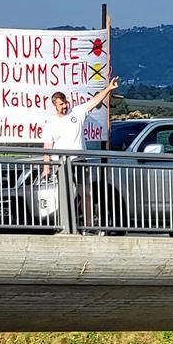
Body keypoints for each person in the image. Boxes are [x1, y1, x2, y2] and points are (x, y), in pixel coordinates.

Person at [41, 76, 121, 230]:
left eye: (65, 103)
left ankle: (88, 224)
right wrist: (47, 166)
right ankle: (63, 225)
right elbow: (47, 146)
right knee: (65, 194)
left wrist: (109, 89)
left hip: (79, 159)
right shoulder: (51, 122)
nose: (64, 106)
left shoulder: (77, 112)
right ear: (54, 105)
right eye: (60, 104)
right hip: (62, 162)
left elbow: (95, 101)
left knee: (86, 192)